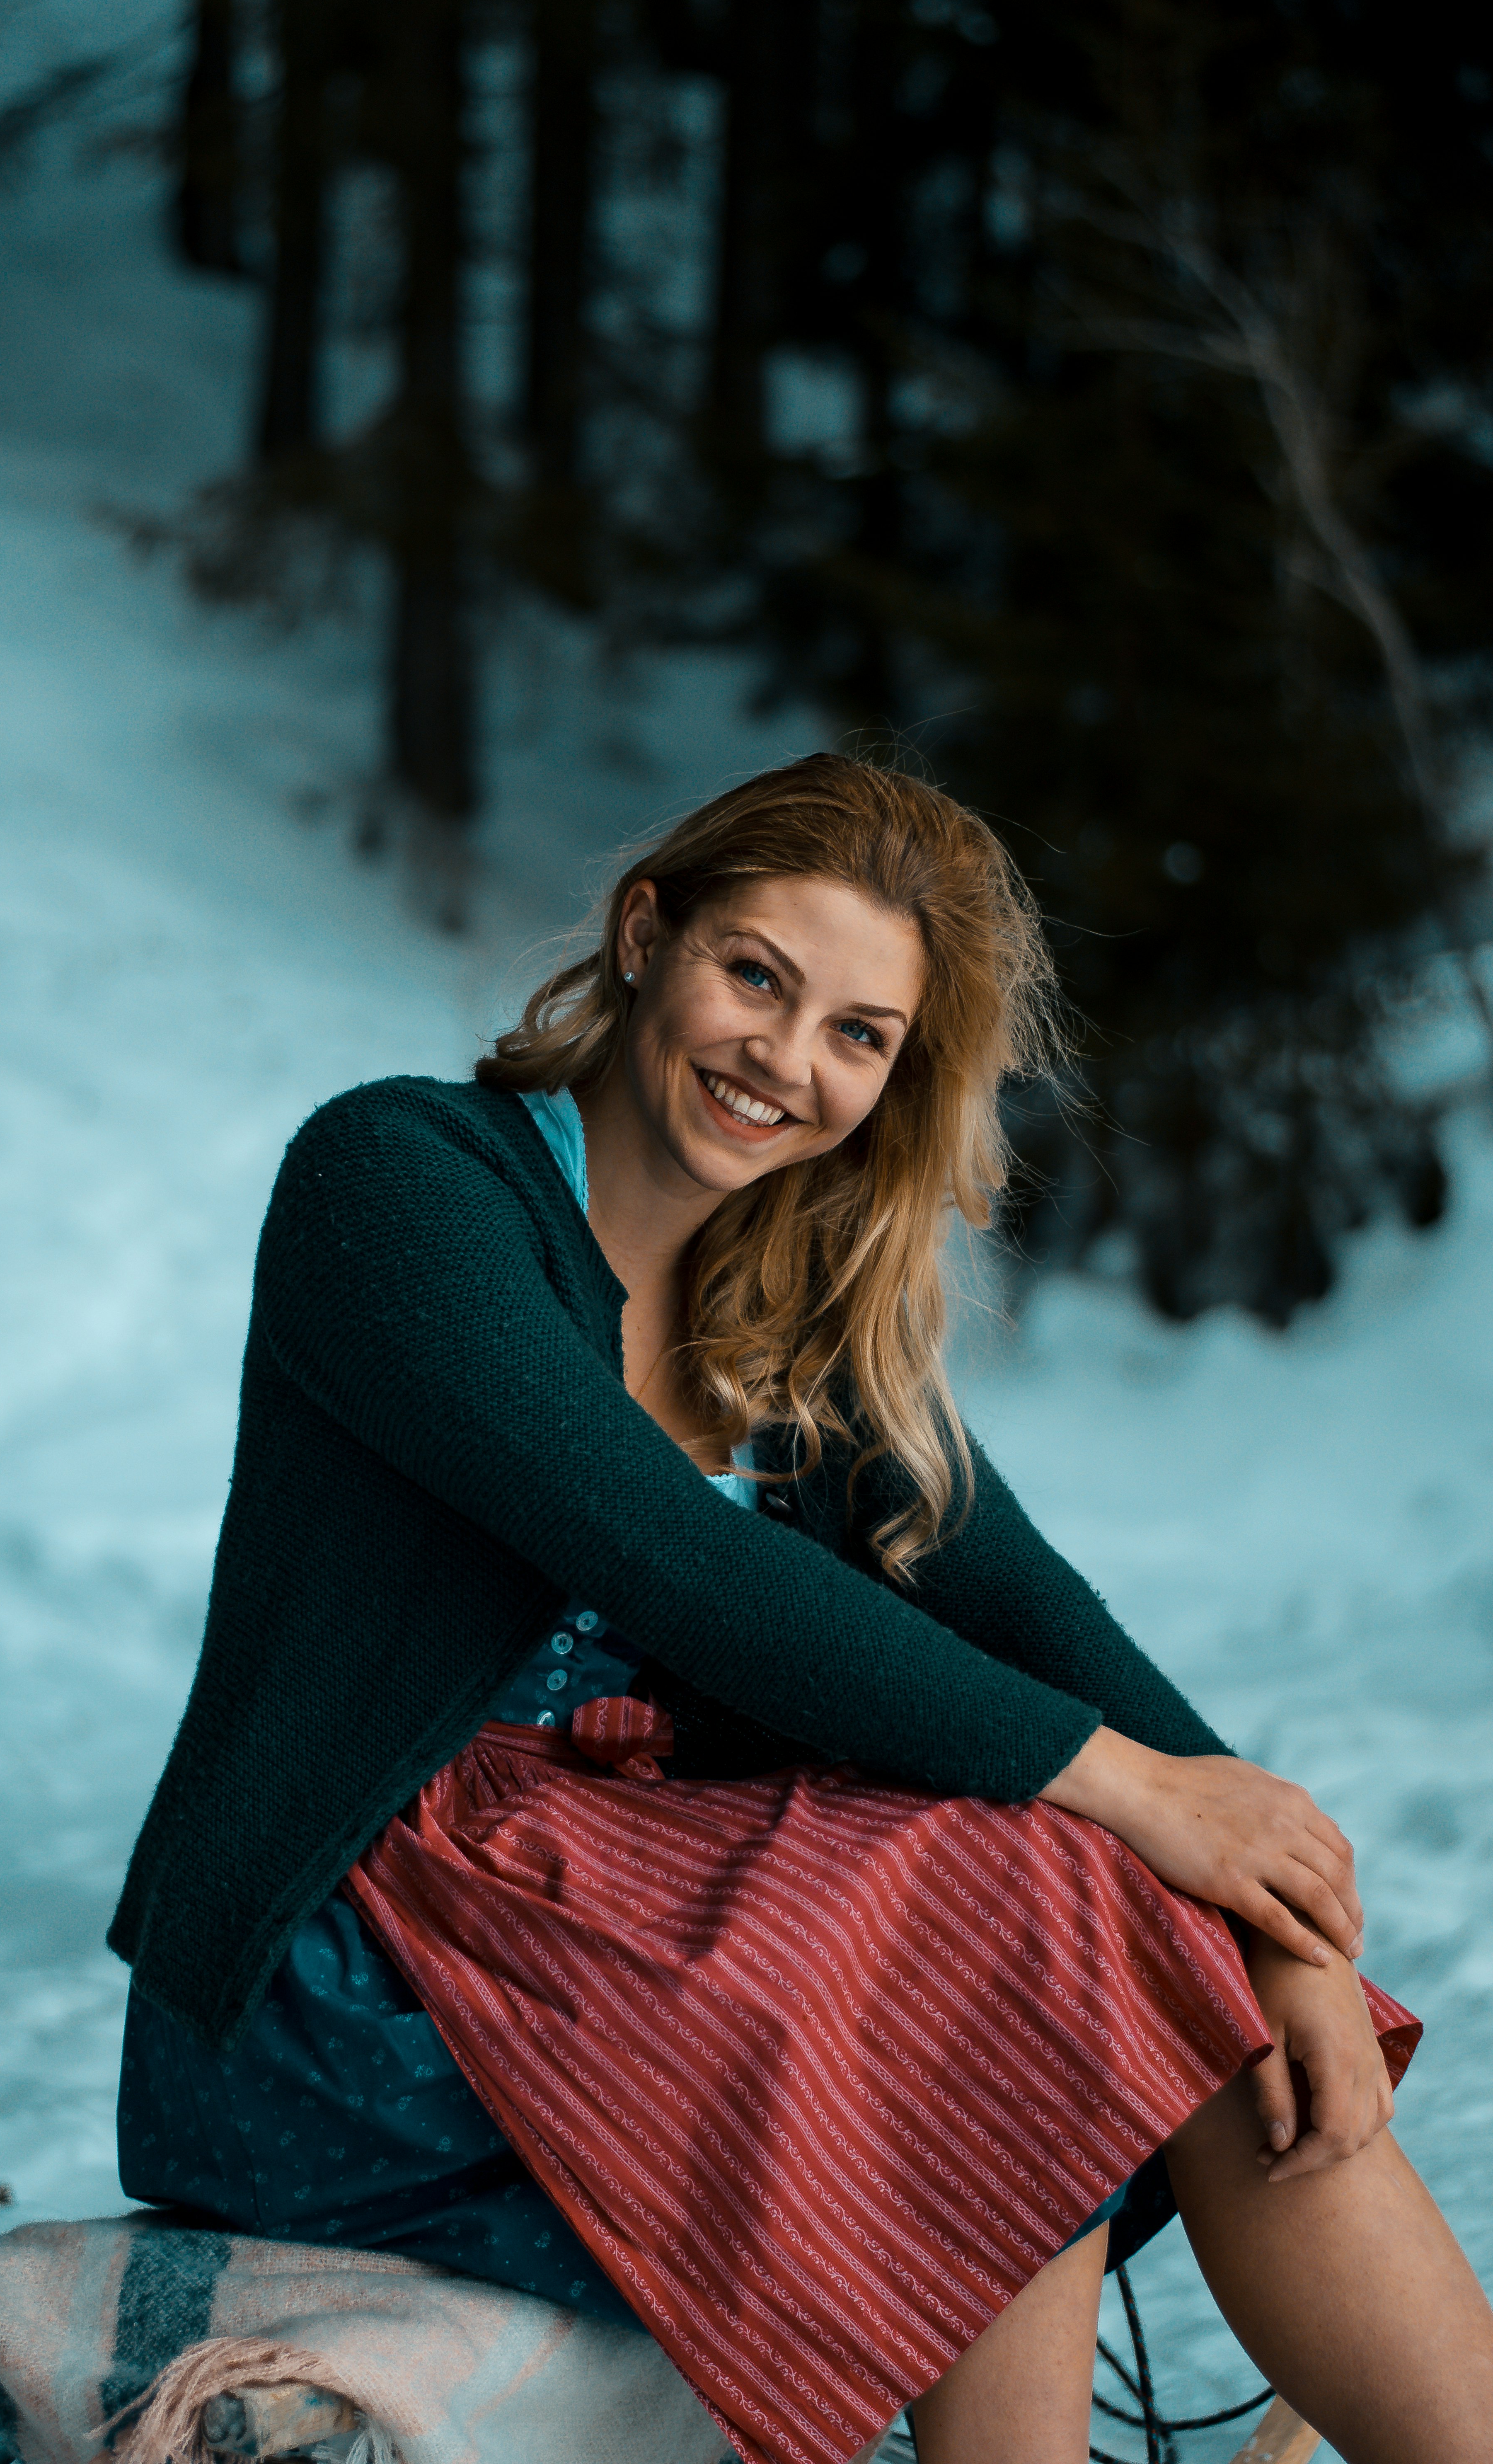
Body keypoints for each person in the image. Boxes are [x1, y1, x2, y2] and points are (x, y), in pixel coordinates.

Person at [111, 757, 1493, 2464]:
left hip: (646, 1930)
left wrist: (1278, 1921)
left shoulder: (784, 1305)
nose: (784, 1059)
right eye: (756, 974)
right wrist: (1135, 1798)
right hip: (355, 1975)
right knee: (1031, 1887)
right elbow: (676, 1566)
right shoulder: (400, 1182)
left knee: (1085, 1929)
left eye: (858, 1033)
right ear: (645, 936)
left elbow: (1022, 1607)